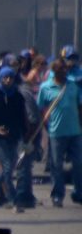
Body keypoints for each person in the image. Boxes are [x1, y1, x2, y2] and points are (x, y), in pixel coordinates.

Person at [38, 58, 82, 207]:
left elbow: (80, 106)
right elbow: (41, 109)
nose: (64, 72)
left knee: (78, 163)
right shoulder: (46, 87)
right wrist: (46, 125)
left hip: (75, 131)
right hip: (56, 133)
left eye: (65, 69)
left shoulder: (73, 86)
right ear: (54, 71)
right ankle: (58, 195)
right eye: (61, 69)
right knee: (56, 165)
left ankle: (79, 192)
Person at [0, 67, 28, 213]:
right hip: (0, 137)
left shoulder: (18, 96)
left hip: (15, 136)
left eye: (10, 77)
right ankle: (14, 200)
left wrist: (24, 135)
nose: (8, 80)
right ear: (1, 79)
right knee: (7, 167)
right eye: (5, 77)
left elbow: (22, 117)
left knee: (9, 170)